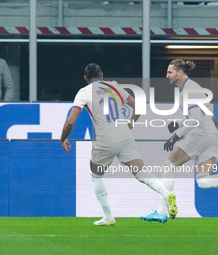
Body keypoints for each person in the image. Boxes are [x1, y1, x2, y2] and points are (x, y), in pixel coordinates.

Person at [60, 63, 177, 226]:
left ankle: (108, 217)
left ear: (85, 78)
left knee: (96, 176)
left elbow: (71, 121)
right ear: (102, 75)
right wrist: (131, 122)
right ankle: (166, 193)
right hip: (125, 135)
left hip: (106, 140)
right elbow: (139, 106)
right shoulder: (114, 87)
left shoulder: (84, 92)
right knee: (141, 172)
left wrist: (63, 137)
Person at [141, 59, 218, 223]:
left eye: (170, 72)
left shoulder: (189, 90)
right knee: (203, 180)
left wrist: (176, 135)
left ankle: (161, 211)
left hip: (201, 134)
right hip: (211, 135)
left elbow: (196, 120)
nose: (167, 76)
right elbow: (202, 113)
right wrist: (179, 124)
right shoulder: (192, 88)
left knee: (169, 164)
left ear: (180, 73)